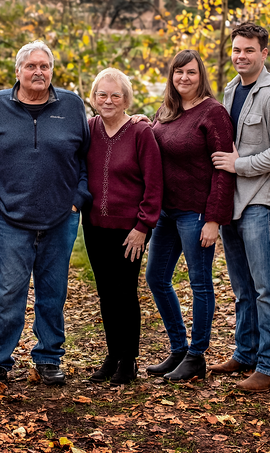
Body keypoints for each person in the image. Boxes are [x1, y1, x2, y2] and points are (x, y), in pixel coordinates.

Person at [0, 41, 91, 386]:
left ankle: (48, 357)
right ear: (18, 71)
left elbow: (87, 158)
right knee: (8, 292)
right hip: (10, 216)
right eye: (31, 66)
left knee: (53, 291)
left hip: (60, 217)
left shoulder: (71, 105)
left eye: (44, 66)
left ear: (52, 71)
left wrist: (78, 199)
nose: (38, 72)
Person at [210, 22, 270, 392]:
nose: (241, 56)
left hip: (261, 201)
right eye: (236, 50)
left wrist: (240, 165)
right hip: (233, 202)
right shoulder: (232, 90)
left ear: (264, 53)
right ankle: (245, 353)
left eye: (249, 50)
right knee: (243, 287)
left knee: (267, 287)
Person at [145, 50, 235, 382]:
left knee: (199, 283)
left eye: (191, 73)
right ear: (172, 76)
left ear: (202, 76)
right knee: (156, 278)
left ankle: (197, 355)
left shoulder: (214, 113)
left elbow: (225, 170)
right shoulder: (166, 111)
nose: (184, 78)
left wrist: (214, 219)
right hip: (166, 212)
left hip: (196, 213)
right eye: (179, 72)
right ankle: (178, 349)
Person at [83, 68, 163, 386]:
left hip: (130, 230)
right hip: (94, 226)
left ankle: (128, 359)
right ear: (93, 97)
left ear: (126, 99)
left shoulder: (141, 132)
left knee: (125, 292)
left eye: (116, 95)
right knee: (105, 293)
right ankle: (112, 355)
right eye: (102, 94)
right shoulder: (88, 129)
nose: (109, 100)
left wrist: (143, 225)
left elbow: (154, 184)